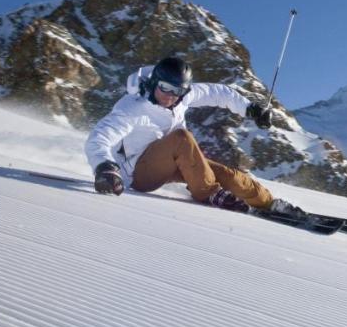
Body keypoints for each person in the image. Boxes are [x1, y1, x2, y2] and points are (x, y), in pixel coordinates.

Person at [85, 54, 304, 217]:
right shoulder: (133, 108)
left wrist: (250, 109)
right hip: (138, 173)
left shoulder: (182, 97)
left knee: (228, 175)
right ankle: (209, 193)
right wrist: (105, 167)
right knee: (182, 138)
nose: (170, 96)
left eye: (178, 91)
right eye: (164, 88)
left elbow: (218, 92)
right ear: (153, 82)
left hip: (173, 162)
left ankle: (269, 203)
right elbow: (99, 138)